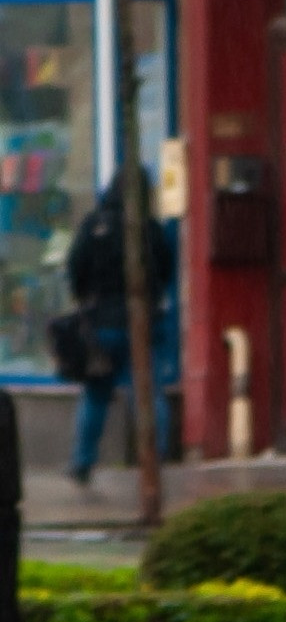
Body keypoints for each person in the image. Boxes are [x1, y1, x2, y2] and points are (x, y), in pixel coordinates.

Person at [62, 184, 175, 489]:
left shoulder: (94, 224)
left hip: (102, 325)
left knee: (96, 394)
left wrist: (87, 298)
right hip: (144, 322)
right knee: (149, 391)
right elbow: (166, 270)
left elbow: (74, 268)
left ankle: (82, 462)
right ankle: (155, 456)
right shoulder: (149, 228)